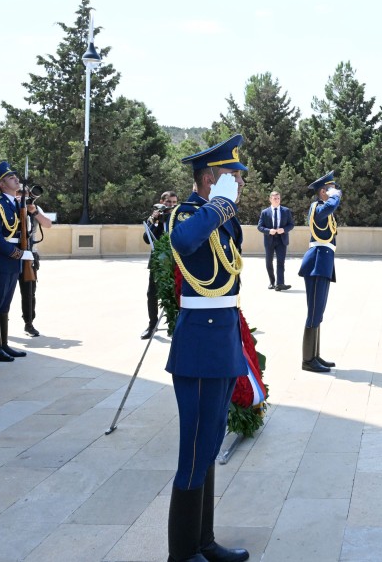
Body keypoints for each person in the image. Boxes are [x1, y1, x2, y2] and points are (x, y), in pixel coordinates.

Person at [164, 135, 250, 562]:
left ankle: (203, 541)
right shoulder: (190, 212)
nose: (239, 183)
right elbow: (182, 243)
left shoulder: (221, 217)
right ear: (211, 178)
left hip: (222, 336)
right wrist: (218, 204)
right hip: (200, 340)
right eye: (233, 176)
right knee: (194, 447)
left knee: (211, 441)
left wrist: (222, 209)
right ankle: (181, 554)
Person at [0, 161, 36, 362]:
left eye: (15, 177)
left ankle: (3, 345)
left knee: (5, 305)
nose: (16, 179)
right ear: (2, 184)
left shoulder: (18, 204)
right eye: (11, 178)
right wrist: (18, 254)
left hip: (14, 262)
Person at [298, 170, 341, 373]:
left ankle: (315, 355)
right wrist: (336, 196)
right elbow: (331, 205)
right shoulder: (319, 208)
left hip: (323, 261)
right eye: (330, 189)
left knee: (319, 311)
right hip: (317, 261)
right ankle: (308, 360)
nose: (334, 191)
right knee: (314, 311)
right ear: (323, 192)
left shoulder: (323, 209)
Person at [141, 190, 179, 339]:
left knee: (175, 293)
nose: (171, 205)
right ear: (162, 202)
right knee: (152, 294)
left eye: (174, 203)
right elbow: (146, 238)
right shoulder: (156, 218)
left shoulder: (177, 218)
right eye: (169, 202)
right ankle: (152, 325)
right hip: (158, 262)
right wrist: (154, 220)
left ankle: (174, 324)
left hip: (174, 260)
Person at [18, 197, 53, 337]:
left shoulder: (34, 208)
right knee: (4, 292)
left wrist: (34, 211)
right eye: (20, 193)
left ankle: (29, 323)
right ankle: (2, 321)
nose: (23, 197)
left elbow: (48, 224)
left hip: (30, 255)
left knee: (29, 293)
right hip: (10, 255)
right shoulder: (7, 206)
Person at [256, 191, 294, 291]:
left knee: (281, 262)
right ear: (270, 199)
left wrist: (284, 229)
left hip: (282, 240)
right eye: (274, 198)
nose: (276, 200)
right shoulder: (265, 212)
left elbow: (291, 224)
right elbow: (259, 227)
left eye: (278, 198)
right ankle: (272, 282)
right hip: (269, 240)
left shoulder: (286, 211)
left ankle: (280, 284)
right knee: (269, 262)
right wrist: (269, 231)